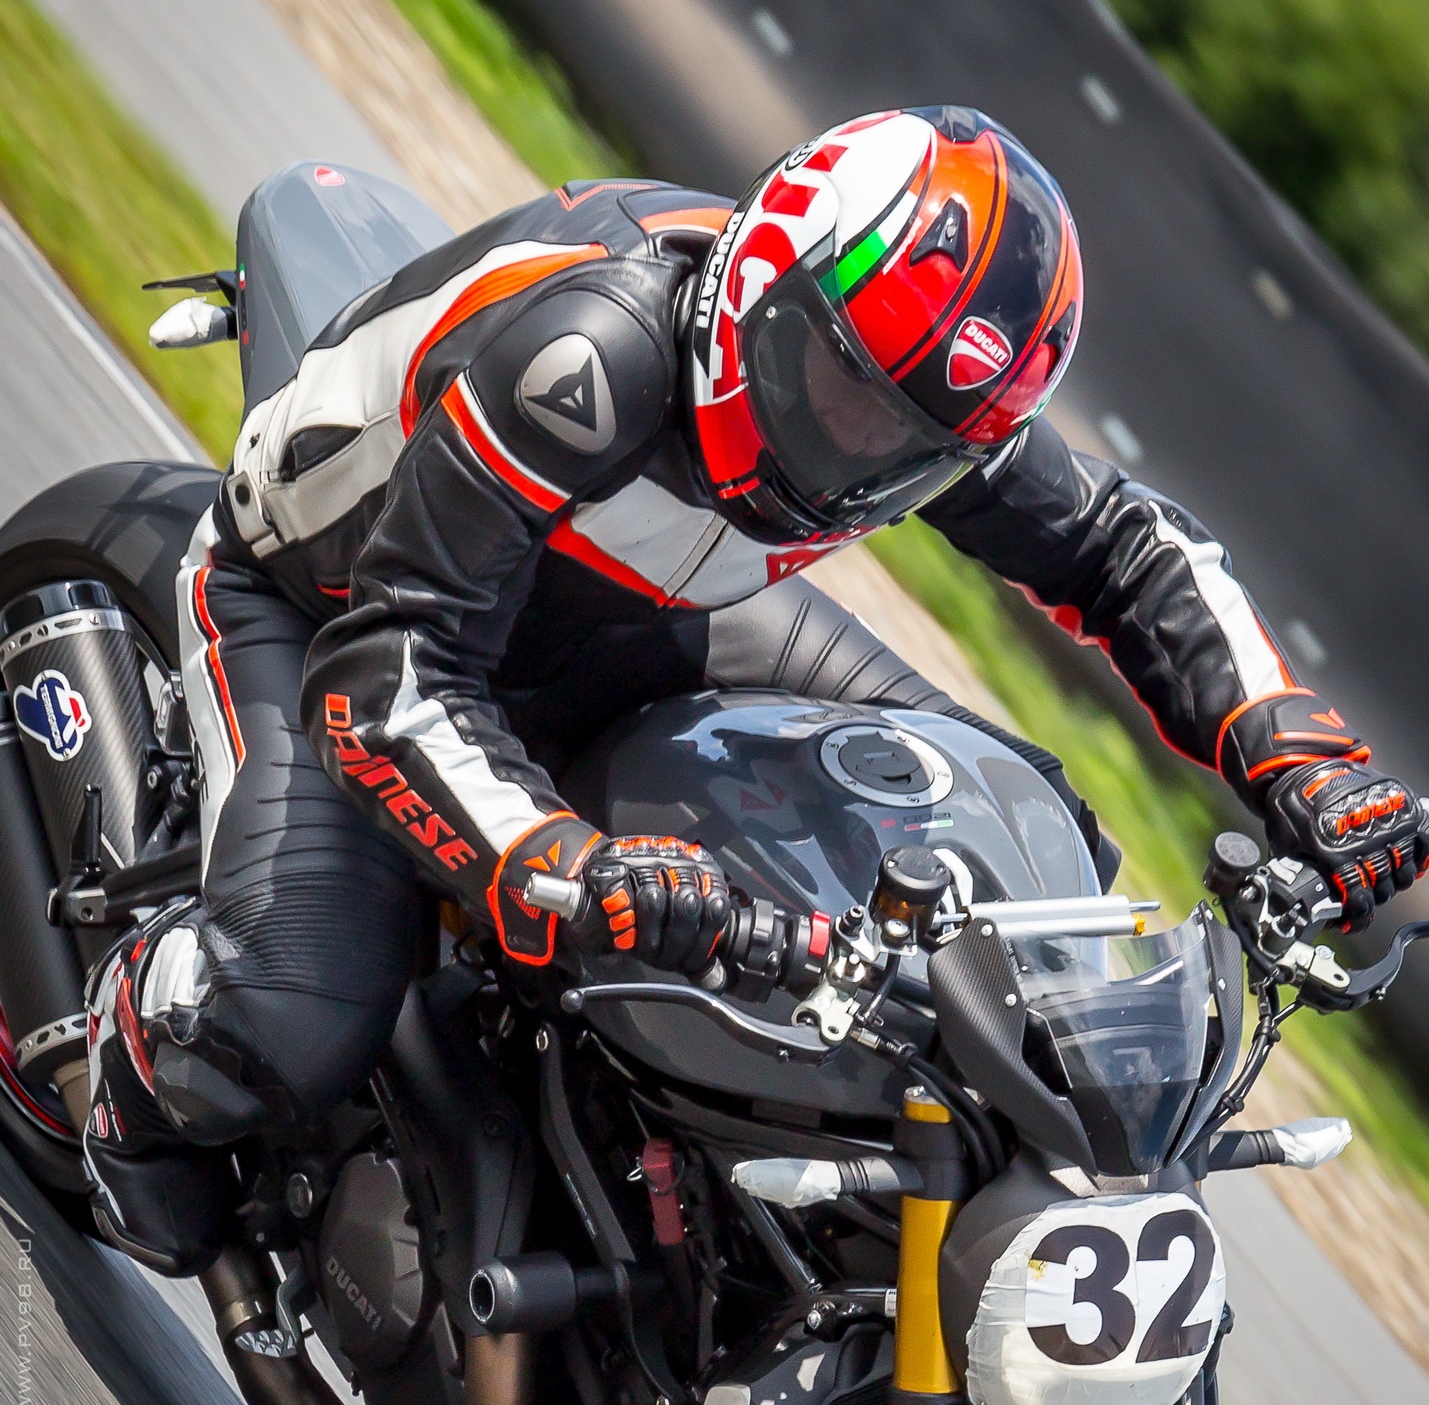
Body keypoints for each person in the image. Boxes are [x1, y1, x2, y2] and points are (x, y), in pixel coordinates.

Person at [82, 106, 1429, 1274]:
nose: (853, 447)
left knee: (1014, 823)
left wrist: (1304, 759)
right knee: (284, 1019)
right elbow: (391, 674)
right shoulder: (590, 359)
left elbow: (1125, 549)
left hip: (649, 605)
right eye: (837, 383)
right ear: (766, 275)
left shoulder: (910, 388)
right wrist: (562, 862)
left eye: (905, 443)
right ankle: (125, 1057)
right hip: (328, 606)